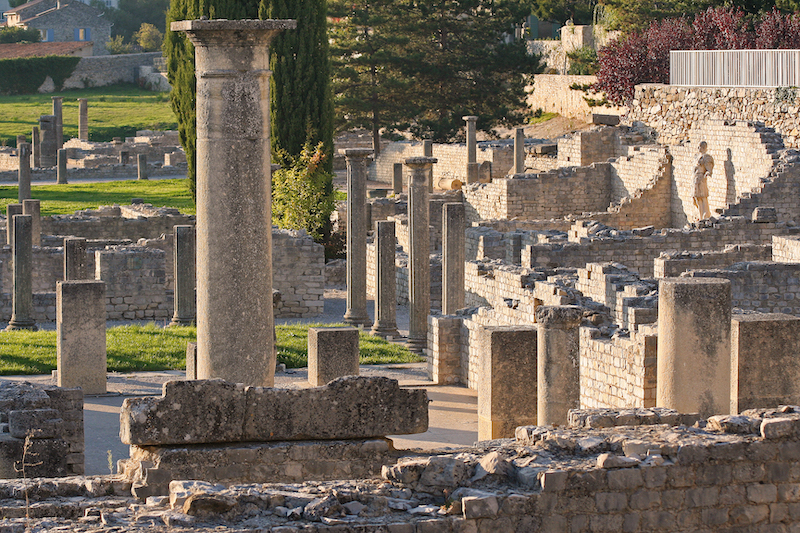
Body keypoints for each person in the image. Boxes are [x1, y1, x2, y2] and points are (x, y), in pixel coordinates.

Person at [693, 141, 713, 221]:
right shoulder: (697, 156)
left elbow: (709, 168)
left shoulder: (706, 157)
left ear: (703, 147)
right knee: (697, 197)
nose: (698, 148)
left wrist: (708, 173)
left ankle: (706, 214)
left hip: (701, 178)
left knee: (703, 196)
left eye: (699, 147)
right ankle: (700, 215)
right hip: (696, 179)